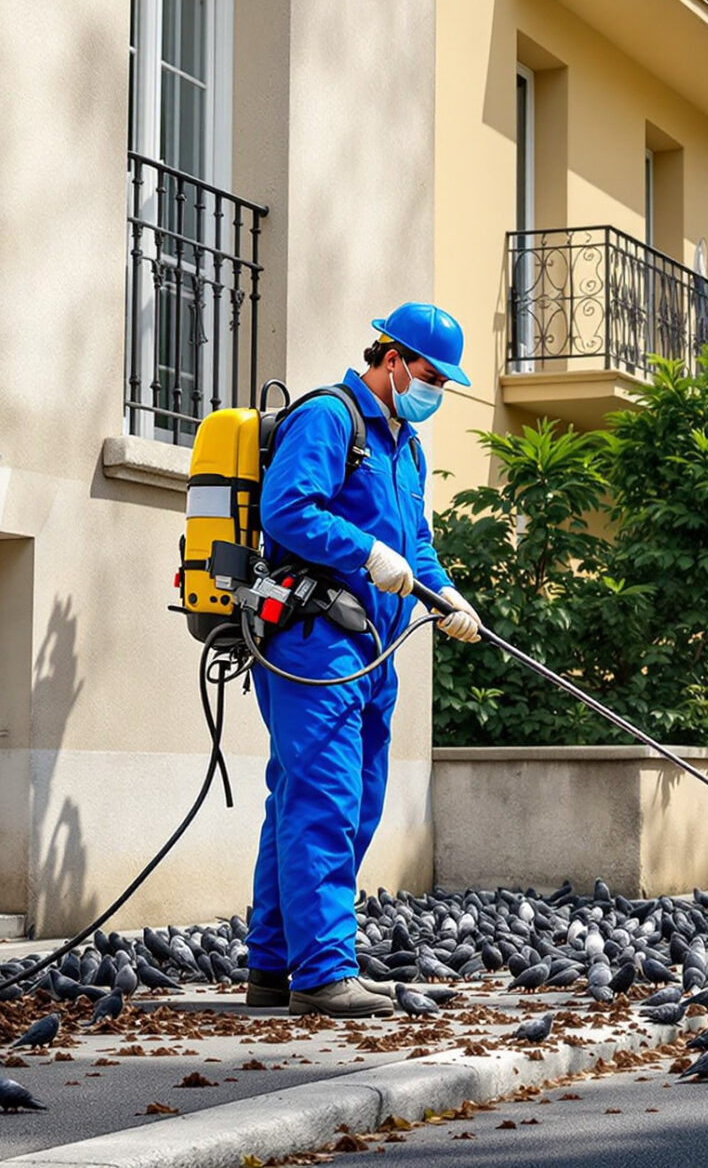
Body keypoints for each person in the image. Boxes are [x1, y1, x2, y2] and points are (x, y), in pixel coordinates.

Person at [242, 302, 483, 1018]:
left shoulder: (406, 447)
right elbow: (289, 510)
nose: (435, 391)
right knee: (326, 801)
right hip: (315, 639)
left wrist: (445, 593)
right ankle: (324, 974)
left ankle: (273, 966)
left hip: (373, 649)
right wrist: (367, 551)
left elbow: (416, 545)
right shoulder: (329, 417)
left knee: (342, 801)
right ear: (393, 359)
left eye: (444, 383)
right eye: (431, 376)